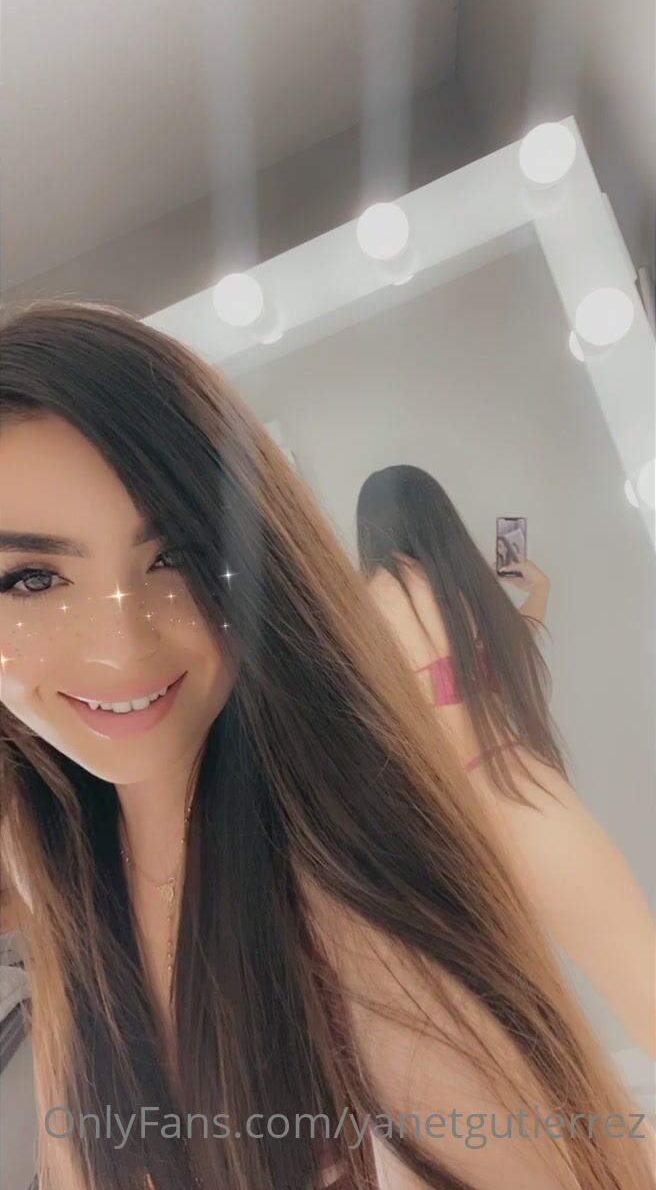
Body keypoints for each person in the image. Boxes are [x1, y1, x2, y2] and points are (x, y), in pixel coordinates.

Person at [0, 305, 653, 1190]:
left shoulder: (376, 611)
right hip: (507, 773)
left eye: (177, 555)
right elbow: (525, 610)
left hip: (441, 791)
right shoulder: (472, 585)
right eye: (33, 578)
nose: (122, 649)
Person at [356, 465, 656, 1071]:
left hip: (457, 835)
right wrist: (535, 584)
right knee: (637, 974)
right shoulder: (465, 584)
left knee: (526, 1033)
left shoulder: (363, 609)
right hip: (530, 797)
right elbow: (520, 636)